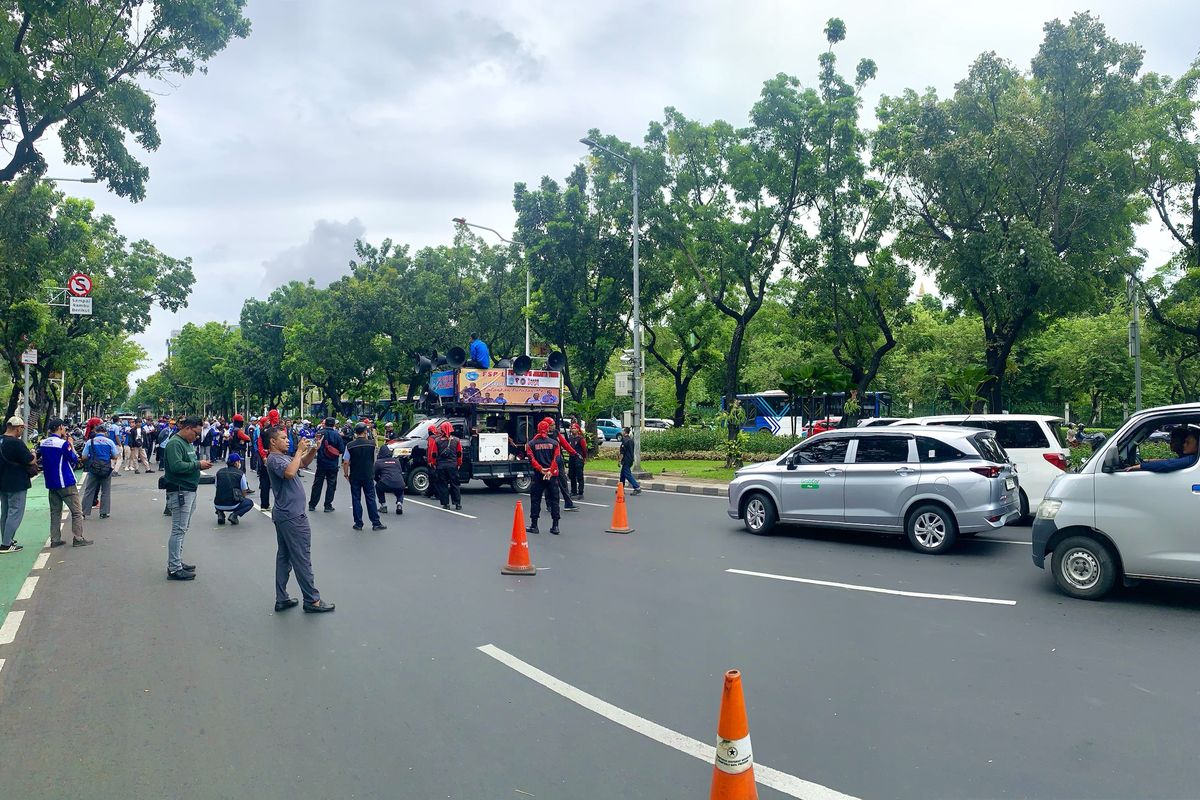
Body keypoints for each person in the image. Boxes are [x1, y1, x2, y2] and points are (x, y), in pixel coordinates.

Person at [266, 425, 334, 613]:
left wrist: (312, 449)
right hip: (292, 516)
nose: (287, 440)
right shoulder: (274, 459)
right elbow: (289, 473)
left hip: (286, 514)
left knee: (285, 557)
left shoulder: (284, 457)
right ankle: (312, 600)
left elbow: (301, 464)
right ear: (273, 442)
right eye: (283, 438)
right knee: (302, 557)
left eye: (287, 438)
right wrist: (298, 451)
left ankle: (282, 598)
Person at [162, 416, 211, 581]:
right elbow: (176, 466)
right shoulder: (175, 443)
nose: (197, 437)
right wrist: (198, 465)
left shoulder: (187, 443)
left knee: (183, 529)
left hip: (189, 490)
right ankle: (174, 568)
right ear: (188, 428)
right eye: (196, 433)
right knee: (178, 530)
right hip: (179, 491)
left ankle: (177, 561)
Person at [39, 419, 91, 548]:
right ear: (60, 427)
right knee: (77, 511)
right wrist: (71, 445)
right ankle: (78, 538)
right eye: (64, 427)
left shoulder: (43, 443)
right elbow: (74, 458)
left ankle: (55, 539)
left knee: (55, 512)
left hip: (51, 482)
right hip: (65, 481)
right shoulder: (62, 444)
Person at [0, 416, 35, 554]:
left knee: (5, 512)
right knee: (15, 512)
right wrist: (33, 453)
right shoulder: (16, 443)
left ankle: (6, 539)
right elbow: (31, 461)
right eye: (22, 428)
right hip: (17, 482)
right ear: (17, 428)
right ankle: (6, 544)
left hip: (2, 482)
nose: (22, 431)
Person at [343, 422, 386, 531]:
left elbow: (346, 461)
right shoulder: (372, 444)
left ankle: (358, 523)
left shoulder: (350, 445)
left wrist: (346, 473)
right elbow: (374, 459)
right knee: (371, 498)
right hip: (368, 475)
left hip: (355, 475)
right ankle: (376, 523)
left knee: (356, 499)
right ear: (365, 432)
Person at [525, 419, 561, 535]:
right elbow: (557, 459)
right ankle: (555, 526)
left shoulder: (531, 444)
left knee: (535, 500)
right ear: (548, 429)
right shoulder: (554, 443)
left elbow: (531, 459)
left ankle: (534, 525)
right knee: (554, 500)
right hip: (552, 476)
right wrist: (550, 471)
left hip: (538, 475)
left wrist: (541, 469)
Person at [80, 425, 119, 519]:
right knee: (105, 491)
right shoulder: (110, 442)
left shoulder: (90, 442)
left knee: (89, 490)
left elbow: (84, 456)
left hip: (93, 469)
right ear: (105, 432)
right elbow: (115, 456)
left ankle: (84, 512)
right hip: (106, 469)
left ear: (96, 432)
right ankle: (104, 512)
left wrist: (92, 457)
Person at [1125, 425, 1199, 473]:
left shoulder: (1192, 459)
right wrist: (1148, 461)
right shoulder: (1193, 458)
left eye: (1188, 443)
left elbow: (1168, 464)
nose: (1184, 444)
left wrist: (1141, 466)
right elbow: (1173, 461)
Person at [308, 417, 344, 512]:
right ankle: (328, 505)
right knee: (331, 484)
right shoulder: (337, 435)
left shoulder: (320, 433)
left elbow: (314, 446)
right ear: (334, 424)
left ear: (325, 423)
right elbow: (341, 449)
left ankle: (312, 504)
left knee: (317, 483)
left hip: (321, 461)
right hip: (333, 463)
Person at [427, 420, 463, 510]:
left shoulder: (437, 441)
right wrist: (459, 463)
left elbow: (434, 453)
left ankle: (446, 504)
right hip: (453, 465)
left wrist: (434, 463)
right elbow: (459, 453)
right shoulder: (456, 440)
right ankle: (457, 503)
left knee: (443, 485)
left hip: (441, 466)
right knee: (455, 484)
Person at [214, 453, 254, 525]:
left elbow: (217, 486)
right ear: (236, 463)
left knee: (220, 495)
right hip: (233, 504)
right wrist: (241, 498)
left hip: (218, 503)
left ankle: (220, 513)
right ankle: (234, 515)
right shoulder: (240, 474)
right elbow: (244, 490)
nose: (240, 463)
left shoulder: (219, 472)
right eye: (239, 462)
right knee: (249, 503)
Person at [255, 409, 283, 510]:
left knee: (265, 482)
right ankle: (280, 505)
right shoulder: (280, 430)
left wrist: (264, 457)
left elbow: (259, 445)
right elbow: (284, 444)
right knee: (280, 482)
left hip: (266, 458)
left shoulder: (264, 430)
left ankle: (264, 505)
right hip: (278, 458)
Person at [549, 421, 580, 512]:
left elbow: (565, 444)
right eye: (551, 425)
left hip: (558, 460)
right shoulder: (542, 436)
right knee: (549, 484)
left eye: (554, 425)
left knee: (563, 482)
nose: (553, 427)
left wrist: (574, 453)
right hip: (549, 462)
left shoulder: (556, 433)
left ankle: (568, 503)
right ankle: (550, 504)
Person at [374, 439, 405, 516]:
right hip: (399, 482)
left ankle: (383, 505)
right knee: (400, 489)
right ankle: (399, 503)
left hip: (385, 483)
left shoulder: (378, 462)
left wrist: (379, 480)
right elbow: (400, 472)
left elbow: (374, 475)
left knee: (378, 487)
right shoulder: (396, 461)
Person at [566, 422, 588, 498]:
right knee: (572, 475)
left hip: (579, 458)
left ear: (578, 429)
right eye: (572, 428)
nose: (573, 430)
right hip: (571, 458)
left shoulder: (580, 439)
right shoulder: (570, 438)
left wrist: (584, 458)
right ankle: (573, 491)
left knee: (579, 476)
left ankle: (581, 492)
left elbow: (584, 449)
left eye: (574, 428)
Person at [618, 427, 642, 495]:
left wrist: (619, 461)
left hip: (626, 460)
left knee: (628, 475)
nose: (621, 432)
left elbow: (622, 453)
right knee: (622, 475)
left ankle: (637, 487)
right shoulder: (631, 440)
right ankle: (621, 489)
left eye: (622, 431)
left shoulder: (625, 441)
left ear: (625, 432)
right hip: (630, 459)